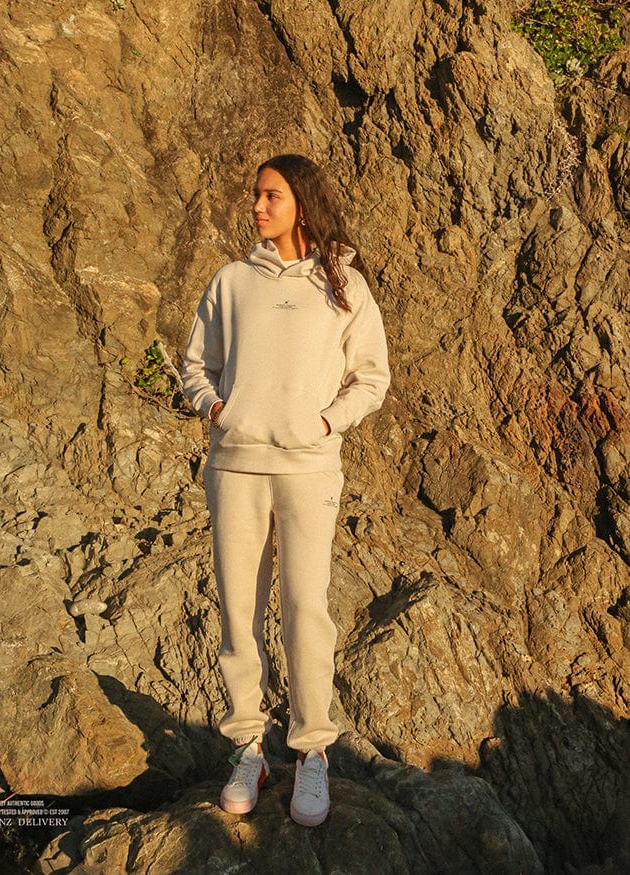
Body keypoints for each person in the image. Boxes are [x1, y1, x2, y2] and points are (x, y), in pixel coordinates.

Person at [182, 153, 389, 827]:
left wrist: (325, 422)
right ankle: (249, 746)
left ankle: (312, 751)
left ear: (302, 200)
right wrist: (220, 410)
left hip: (309, 469)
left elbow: (372, 377)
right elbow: (196, 366)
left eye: (270, 195)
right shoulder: (231, 281)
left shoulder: (344, 284)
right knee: (239, 609)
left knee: (306, 608)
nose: (257, 206)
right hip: (236, 465)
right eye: (255, 195)